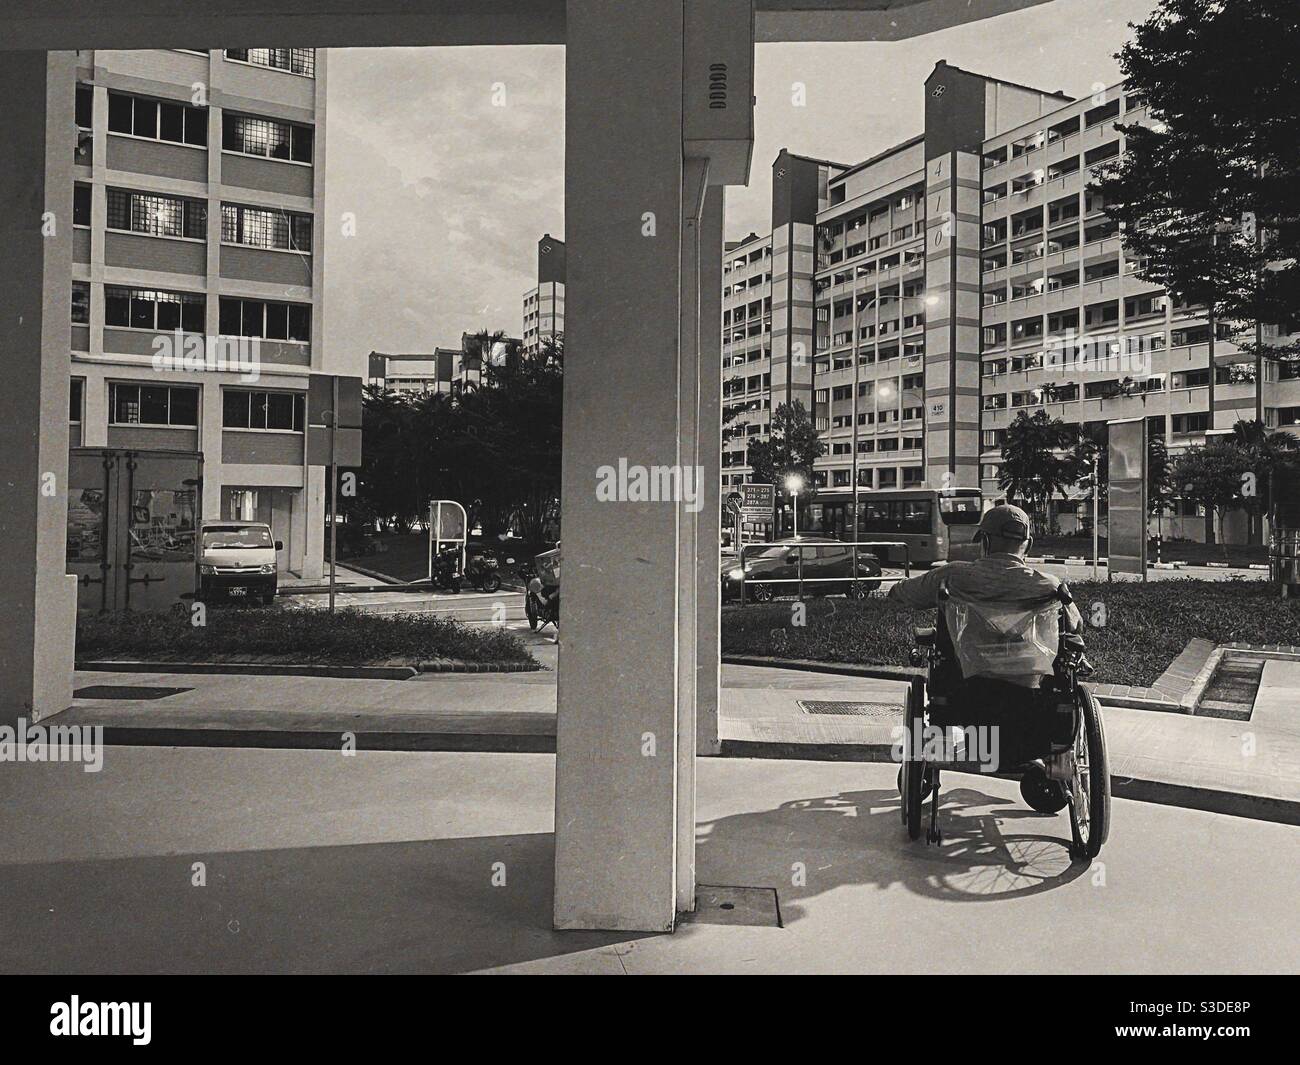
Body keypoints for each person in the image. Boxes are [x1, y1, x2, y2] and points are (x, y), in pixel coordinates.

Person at [888, 503, 1083, 688]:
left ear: (985, 541)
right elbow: (1075, 625)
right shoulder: (1050, 585)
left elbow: (901, 594)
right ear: (1028, 545)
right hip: (1032, 685)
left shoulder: (952, 576)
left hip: (965, 683)